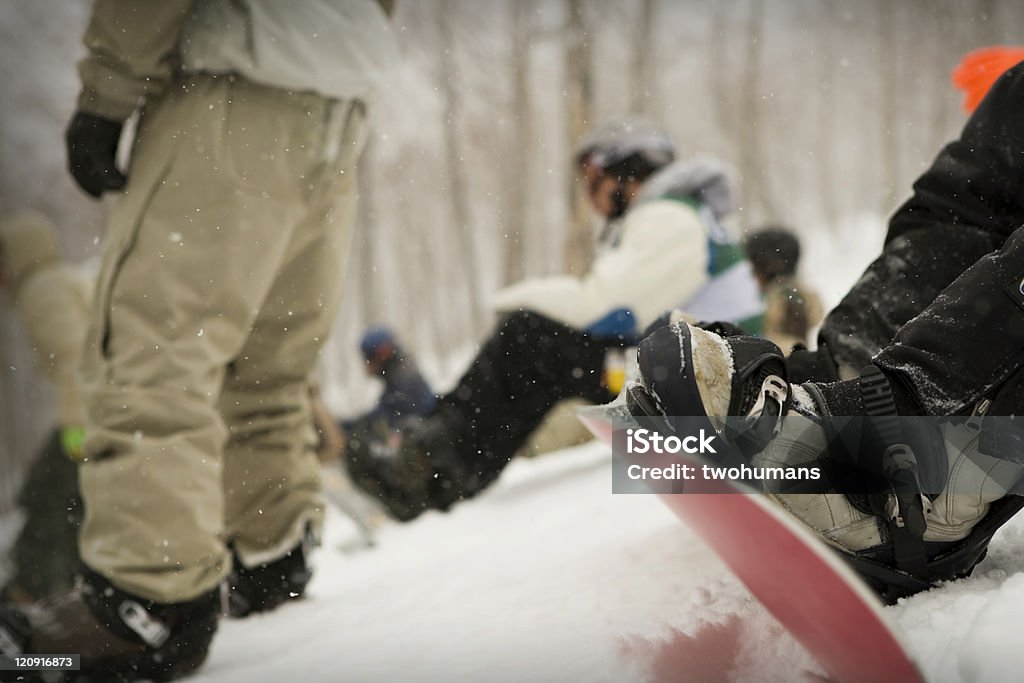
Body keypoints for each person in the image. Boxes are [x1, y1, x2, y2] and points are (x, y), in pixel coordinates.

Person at [0, 1, 398, 680]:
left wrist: (107, 93)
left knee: (151, 354)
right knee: (266, 368)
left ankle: (144, 601)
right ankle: (274, 554)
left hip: (232, 84)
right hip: (337, 111)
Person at [626, 59, 1024, 603]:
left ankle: (932, 463)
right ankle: (858, 374)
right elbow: (958, 216)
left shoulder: (786, 292)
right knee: (971, 194)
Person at [347, 119, 765, 521]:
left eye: (593, 176)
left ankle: (435, 466)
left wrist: (518, 297)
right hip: (702, 367)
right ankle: (440, 466)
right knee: (536, 353)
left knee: (528, 338)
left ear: (626, 170)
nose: (589, 193)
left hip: (717, 382)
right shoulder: (676, 215)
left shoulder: (670, 216)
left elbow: (605, 310)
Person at [0, 211, 92, 605]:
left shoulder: (42, 290)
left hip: (87, 416)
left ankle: (31, 590)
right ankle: (61, 585)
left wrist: (77, 428)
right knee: (66, 499)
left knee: (50, 495)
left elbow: (74, 358)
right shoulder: (53, 283)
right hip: (98, 409)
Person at [743, 226, 823, 352]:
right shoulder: (805, 294)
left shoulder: (770, 302)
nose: (752, 276)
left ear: (772, 266)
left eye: (754, 269)